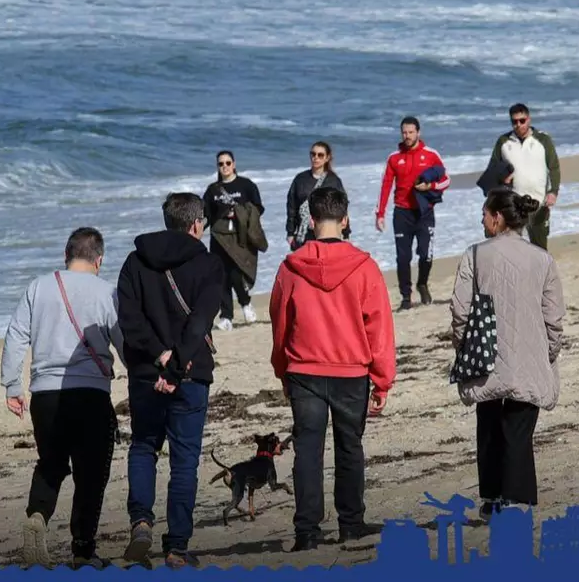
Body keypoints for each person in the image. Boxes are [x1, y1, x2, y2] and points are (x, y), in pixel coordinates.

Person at [270, 186, 396, 552]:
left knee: (308, 452)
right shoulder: (364, 267)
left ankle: (308, 531)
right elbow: (380, 328)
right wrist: (383, 379)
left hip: (306, 371)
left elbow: (279, 324)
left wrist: (282, 370)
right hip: (348, 371)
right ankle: (350, 525)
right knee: (349, 448)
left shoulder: (291, 268)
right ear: (345, 220)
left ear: (311, 221)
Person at [0, 227, 123, 569]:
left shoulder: (38, 287)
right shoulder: (107, 292)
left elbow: (15, 335)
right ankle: (83, 549)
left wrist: (12, 385)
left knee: (51, 463)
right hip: (91, 393)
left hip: (45, 395)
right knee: (91, 472)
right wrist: (143, 377)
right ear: (99, 260)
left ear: (66, 256)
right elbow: (124, 339)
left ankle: (37, 515)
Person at [116, 193, 225, 570]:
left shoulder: (134, 262)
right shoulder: (208, 263)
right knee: (184, 461)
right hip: (189, 374)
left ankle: (141, 522)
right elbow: (200, 322)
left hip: (146, 372)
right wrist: (176, 365)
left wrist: (160, 356)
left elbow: (129, 322)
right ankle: (177, 547)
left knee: (144, 447)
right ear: (196, 224)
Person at [449, 188, 564, 520]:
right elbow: (553, 316)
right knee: (518, 430)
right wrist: (550, 351)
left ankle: (492, 499)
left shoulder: (474, 255)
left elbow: (459, 309)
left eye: (484, 215)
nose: (482, 221)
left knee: (488, 427)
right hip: (529, 354)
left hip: (484, 354)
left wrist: (463, 344)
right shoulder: (542, 259)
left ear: (497, 217)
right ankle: (517, 499)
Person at [375, 116, 451, 310]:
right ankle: (406, 297)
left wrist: (430, 186)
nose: (407, 136)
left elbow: (446, 180)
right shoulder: (394, 157)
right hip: (402, 213)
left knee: (426, 254)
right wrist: (380, 213)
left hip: (425, 212)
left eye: (410, 132)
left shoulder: (431, 154)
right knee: (403, 258)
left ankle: (422, 283)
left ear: (418, 132)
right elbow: (385, 185)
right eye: (404, 132)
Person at [203, 150, 266, 331]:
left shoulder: (246, 185)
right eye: (221, 164)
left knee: (237, 273)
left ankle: (245, 303)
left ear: (234, 164)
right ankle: (226, 317)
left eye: (228, 163)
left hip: (240, 237)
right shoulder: (212, 190)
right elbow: (206, 214)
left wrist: (239, 213)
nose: (225, 167)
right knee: (221, 276)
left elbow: (258, 208)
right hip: (219, 238)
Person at [487, 103, 561, 251]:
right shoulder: (503, 142)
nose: (518, 125)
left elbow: (554, 167)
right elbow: (492, 170)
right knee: (512, 249)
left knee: (539, 249)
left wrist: (553, 192)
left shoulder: (543, 140)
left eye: (522, 120)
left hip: (538, 203)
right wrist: (500, 184)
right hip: (512, 205)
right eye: (514, 121)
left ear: (529, 119)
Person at [286, 141, 350, 250]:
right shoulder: (300, 179)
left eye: (320, 155)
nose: (315, 158)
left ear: (327, 158)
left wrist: (346, 233)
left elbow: (342, 207)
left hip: (327, 233)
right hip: (304, 233)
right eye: (313, 154)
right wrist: (290, 232)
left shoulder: (333, 181)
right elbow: (292, 206)